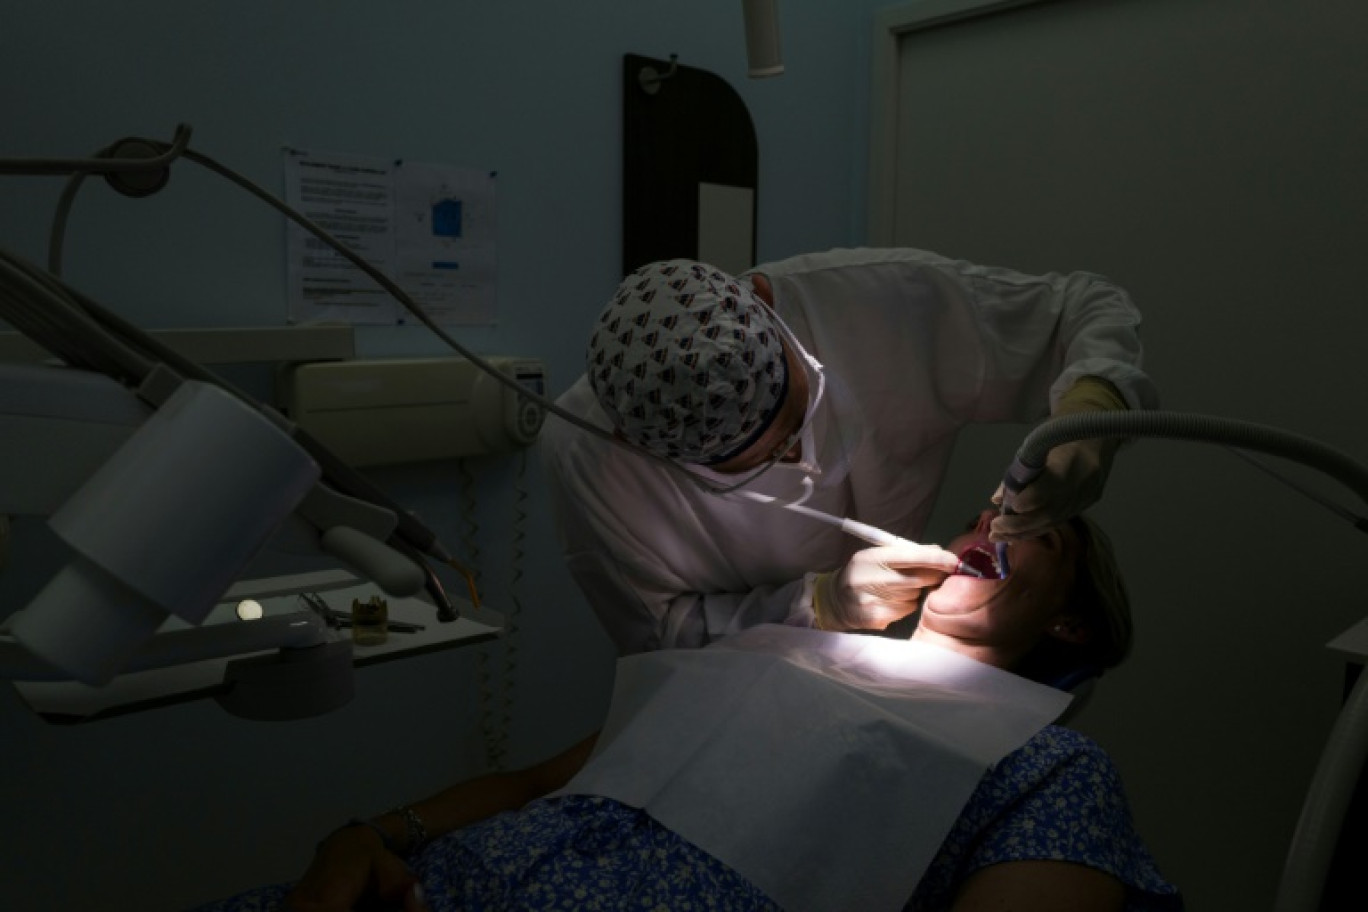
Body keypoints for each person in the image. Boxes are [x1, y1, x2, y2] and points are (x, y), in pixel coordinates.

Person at [190, 509, 1183, 912]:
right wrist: (359, 837)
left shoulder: (1044, 770)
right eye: (988, 514)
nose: (995, 524)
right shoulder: (772, 654)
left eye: (1037, 534)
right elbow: (543, 782)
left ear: (1071, 627)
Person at [540, 249, 1159, 655]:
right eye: (757, 458)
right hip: (734, 706)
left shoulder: (876, 302)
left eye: (797, 419)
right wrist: (816, 606)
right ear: (638, 446)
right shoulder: (590, 459)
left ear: (764, 302)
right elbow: (661, 637)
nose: (798, 460)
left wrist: (1093, 403)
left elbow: (1083, 306)